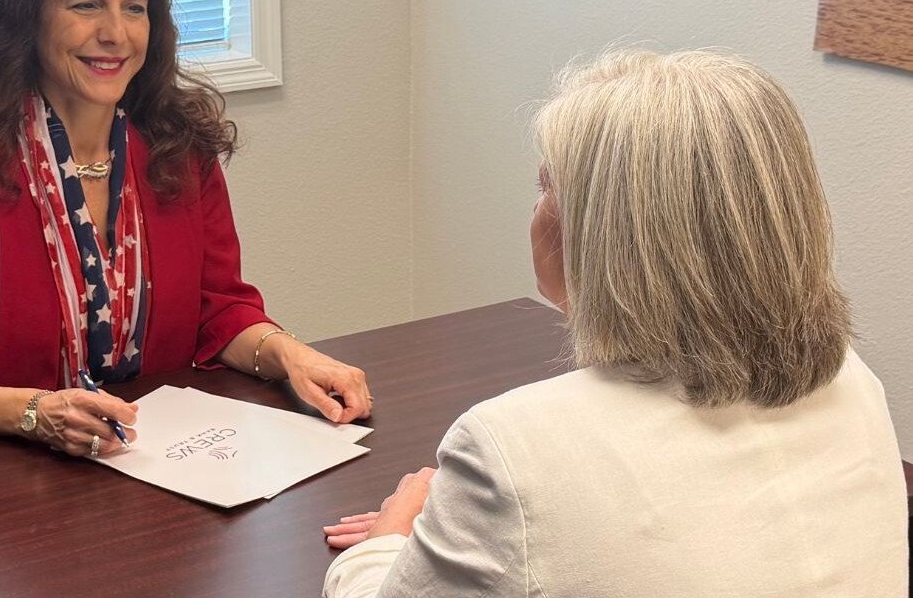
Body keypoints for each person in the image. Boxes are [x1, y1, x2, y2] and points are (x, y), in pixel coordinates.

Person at [322, 50, 906, 596]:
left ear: (605, 233)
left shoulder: (511, 447)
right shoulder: (853, 380)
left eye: (547, 188)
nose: (535, 208)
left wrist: (388, 541)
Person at [0, 0, 372, 459]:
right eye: (87, 4)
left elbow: (220, 311)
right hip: (7, 484)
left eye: (134, 7)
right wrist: (33, 414)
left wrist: (292, 353)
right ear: (28, 16)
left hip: (160, 466)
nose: (116, 33)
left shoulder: (179, 152)